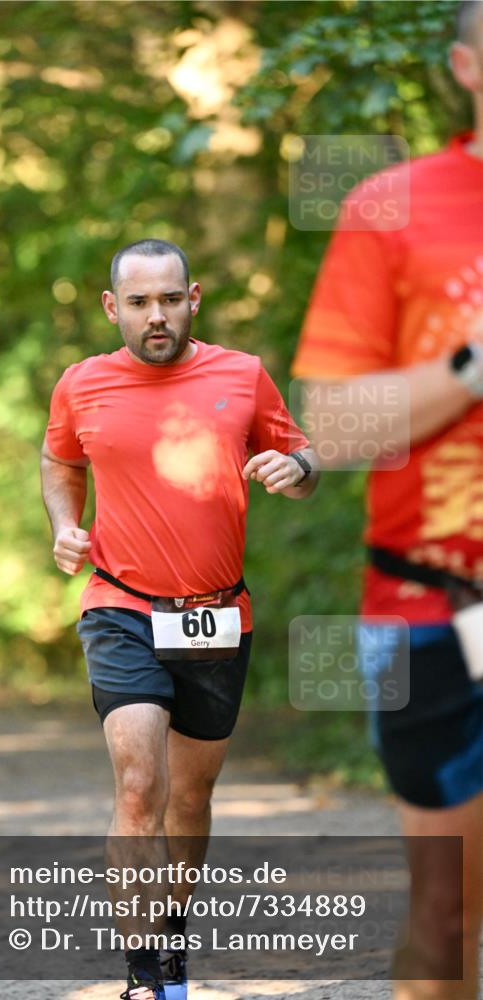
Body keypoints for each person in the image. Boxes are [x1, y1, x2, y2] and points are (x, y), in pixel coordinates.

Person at [41, 238, 318, 1000]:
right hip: (119, 604)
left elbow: (301, 463)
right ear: (112, 307)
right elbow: (57, 460)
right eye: (138, 302)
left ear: (193, 297)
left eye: (168, 299)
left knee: (190, 798)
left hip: (217, 616)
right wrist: (65, 523)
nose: (154, 315)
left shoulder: (241, 374)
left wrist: (295, 470)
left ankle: (169, 934)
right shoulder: (81, 385)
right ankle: (142, 977)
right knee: (138, 784)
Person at [291, 3, 483, 997]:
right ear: (465, 67)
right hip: (432, 607)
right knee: (448, 917)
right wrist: (472, 363)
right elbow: (329, 430)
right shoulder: (390, 206)